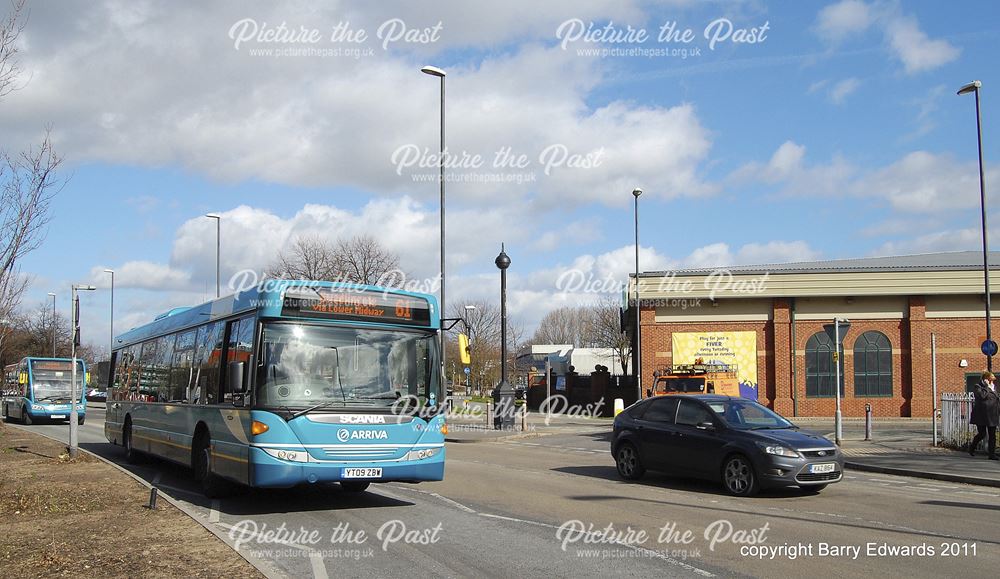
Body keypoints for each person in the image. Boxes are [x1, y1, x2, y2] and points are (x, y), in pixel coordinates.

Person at [969, 371, 999, 459]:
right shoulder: (978, 386)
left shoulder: (993, 387)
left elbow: (996, 399)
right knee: (982, 434)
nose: (992, 382)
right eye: (991, 380)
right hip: (981, 414)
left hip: (992, 414)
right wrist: (986, 386)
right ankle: (972, 447)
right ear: (986, 379)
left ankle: (992, 454)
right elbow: (982, 396)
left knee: (992, 435)